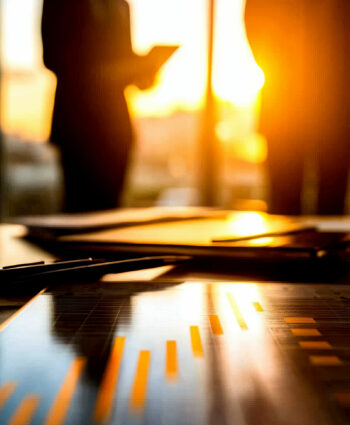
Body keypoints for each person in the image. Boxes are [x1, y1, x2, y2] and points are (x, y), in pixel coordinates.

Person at [41, 0, 160, 212]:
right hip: (78, 123)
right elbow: (52, 57)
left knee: (111, 208)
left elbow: (124, 58)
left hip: (117, 128)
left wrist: (144, 72)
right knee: (79, 209)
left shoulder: (121, 5)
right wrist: (107, 73)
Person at [245, 0, 350, 215]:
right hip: (288, 105)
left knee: (330, 205)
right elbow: (255, 22)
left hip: (330, 108)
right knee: (285, 207)